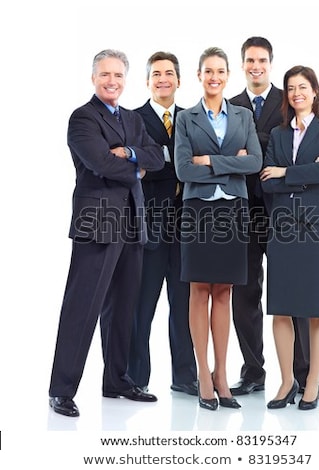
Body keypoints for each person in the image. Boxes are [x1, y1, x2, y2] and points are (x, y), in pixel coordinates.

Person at [48, 49, 165, 417]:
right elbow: (98, 162)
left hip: (132, 220)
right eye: (104, 75)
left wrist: (129, 152)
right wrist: (137, 168)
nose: (111, 81)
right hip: (96, 222)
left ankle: (116, 380)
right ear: (93, 78)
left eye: (117, 75)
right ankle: (61, 389)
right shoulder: (82, 118)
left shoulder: (132, 119)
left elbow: (158, 156)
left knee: (123, 306)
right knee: (83, 307)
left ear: (126, 79)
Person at [229, 37, 319, 399]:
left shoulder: (286, 99)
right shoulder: (231, 105)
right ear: (242, 64)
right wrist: (259, 154)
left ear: (270, 63)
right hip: (243, 211)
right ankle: (253, 371)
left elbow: (262, 151)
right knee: (244, 294)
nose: (255, 66)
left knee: (298, 294)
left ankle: (305, 376)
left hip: (288, 214)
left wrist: (255, 151)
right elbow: (231, 149)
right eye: (249, 60)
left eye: (262, 60)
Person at [174, 47, 262, 410]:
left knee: (224, 292)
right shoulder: (187, 118)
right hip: (197, 210)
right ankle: (203, 377)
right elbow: (183, 170)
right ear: (199, 75)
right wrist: (231, 163)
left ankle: (222, 374)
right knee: (198, 290)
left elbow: (255, 162)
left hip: (232, 211)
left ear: (229, 76)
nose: (214, 76)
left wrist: (209, 160)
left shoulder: (242, 116)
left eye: (220, 71)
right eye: (208, 71)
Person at [261, 65, 319, 410]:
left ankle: (312, 380)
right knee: (281, 307)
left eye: (303, 87)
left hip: (317, 223)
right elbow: (267, 179)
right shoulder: (279, 134)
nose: (297, 93)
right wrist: (300, 174)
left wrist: (287, 171)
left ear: (315, 91)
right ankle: (286, 381)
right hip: (283, 224)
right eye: (291, 88)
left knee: (316, 307)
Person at [128, 51, 197, 395]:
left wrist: (160, 159)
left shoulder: (191, 117)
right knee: (143, 304)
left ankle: (185, 377)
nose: (163, 79)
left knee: (183, 305)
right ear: (147, 81)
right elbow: (138, 169)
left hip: (188, 226)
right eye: (156, 74)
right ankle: (134, 378)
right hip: (149, 226)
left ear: (179, 80)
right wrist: (179, 163)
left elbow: (183, 167)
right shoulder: (132, 119)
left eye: (169, 73)